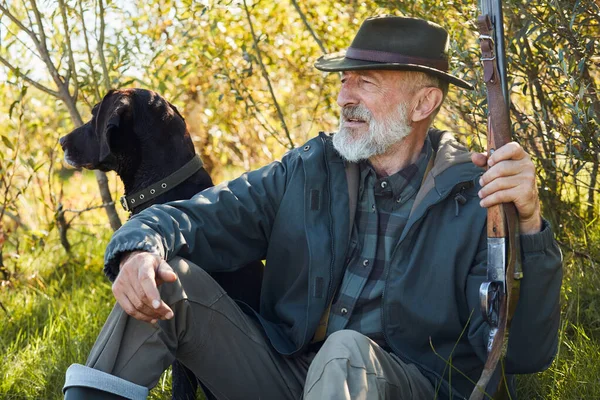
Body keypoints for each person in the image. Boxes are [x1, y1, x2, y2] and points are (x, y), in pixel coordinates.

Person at [63, 15, 562, 400]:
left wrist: (531, 225)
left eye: (365, 81)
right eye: (343, 81)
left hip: (407, 384)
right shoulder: (310, 168)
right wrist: (139, 249)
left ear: (424, 103)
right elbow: (204, 212)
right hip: (290, 373)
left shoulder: (480, 195)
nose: (344, 96)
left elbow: (523, 352)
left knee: (344, 353)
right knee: (166, 277)